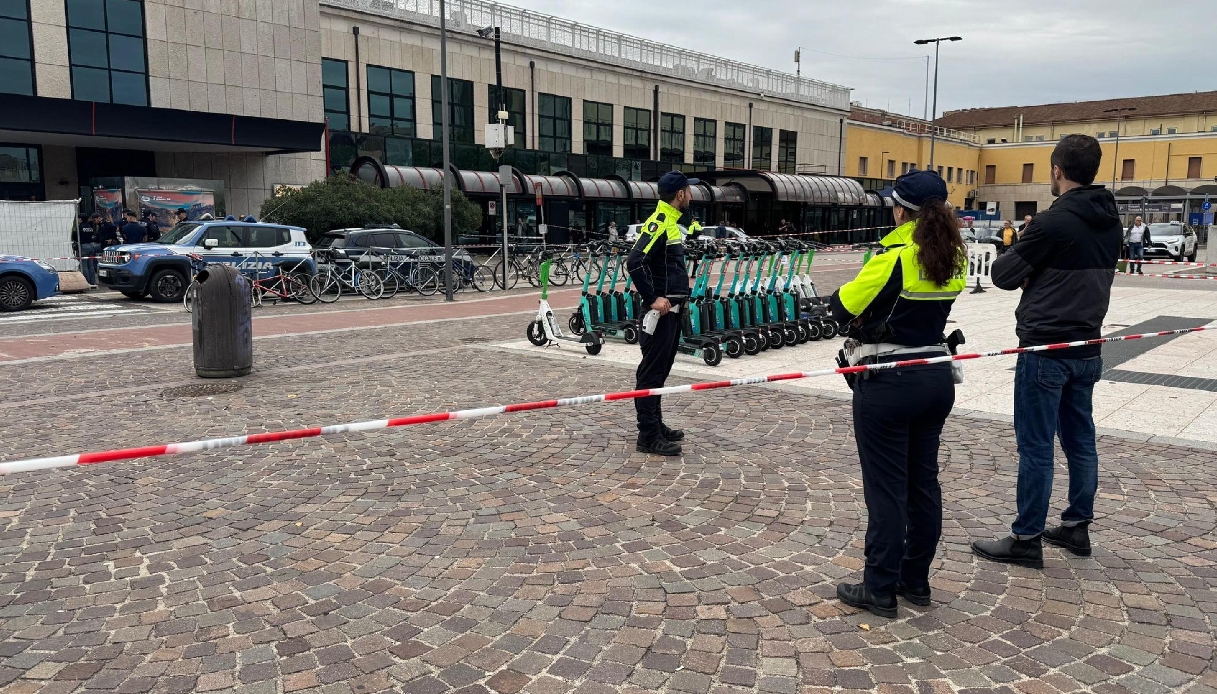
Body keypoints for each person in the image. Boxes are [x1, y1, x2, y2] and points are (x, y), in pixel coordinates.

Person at [971, 134, 1123, 569]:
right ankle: (1077, 527)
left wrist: (1020, 245)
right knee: (1081, 439)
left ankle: (1026, 538)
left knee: (1036, 445)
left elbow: (1001, 275)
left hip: (1045, 346)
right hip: (1088, 345)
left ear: (1057, 170)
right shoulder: (1111, 221)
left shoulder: (1052, 223)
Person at [826, 169, 967, 619]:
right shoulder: (953, 256)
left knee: (886, 489)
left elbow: (843, 305)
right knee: (923, 483)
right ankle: (915, 580)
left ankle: (879, 588)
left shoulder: (895, 256)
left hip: (888, 381)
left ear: (901, 209)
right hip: (936, 374)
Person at [626, 171, 698, 457]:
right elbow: (634, 262)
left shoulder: (672, 220)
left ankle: (655, 423)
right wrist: (653, 298)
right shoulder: (659, 223)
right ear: (680, 194)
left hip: (673, 311)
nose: (691, 196)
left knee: (660, 372)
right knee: (651, 373)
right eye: (688, 191)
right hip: (660, 313)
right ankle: (648, 434)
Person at [74, 214, 100, 286]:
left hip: (83, 246)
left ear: (81, 219)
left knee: (84, 265)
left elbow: (76, 237)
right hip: (91, 246)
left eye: (79, 219)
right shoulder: (90, 226)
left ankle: (87, 282)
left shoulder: (80, 227)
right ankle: (92, 281)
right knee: (91, 265)